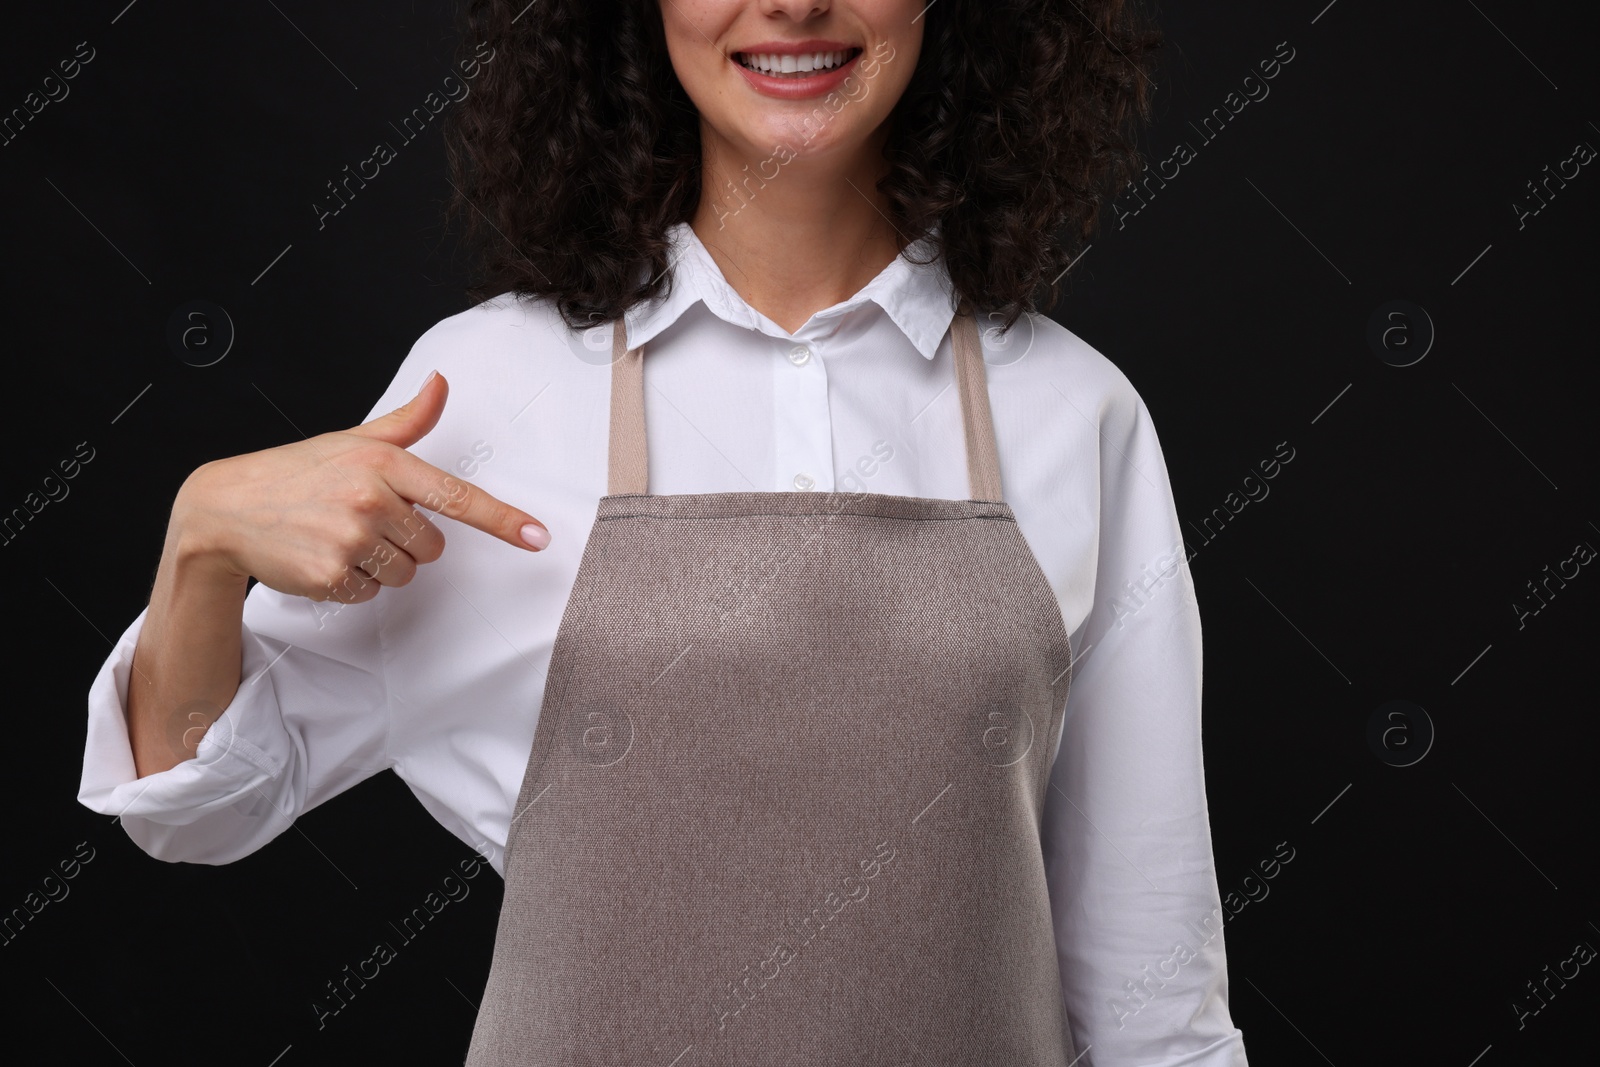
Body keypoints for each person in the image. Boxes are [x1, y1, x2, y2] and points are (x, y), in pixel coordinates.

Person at [79, 0, 1250, 1062]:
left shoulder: (1073, 410)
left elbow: (1157, 1010)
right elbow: (198, 805)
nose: (793, 4)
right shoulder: (488, 389)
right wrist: (201, 549)